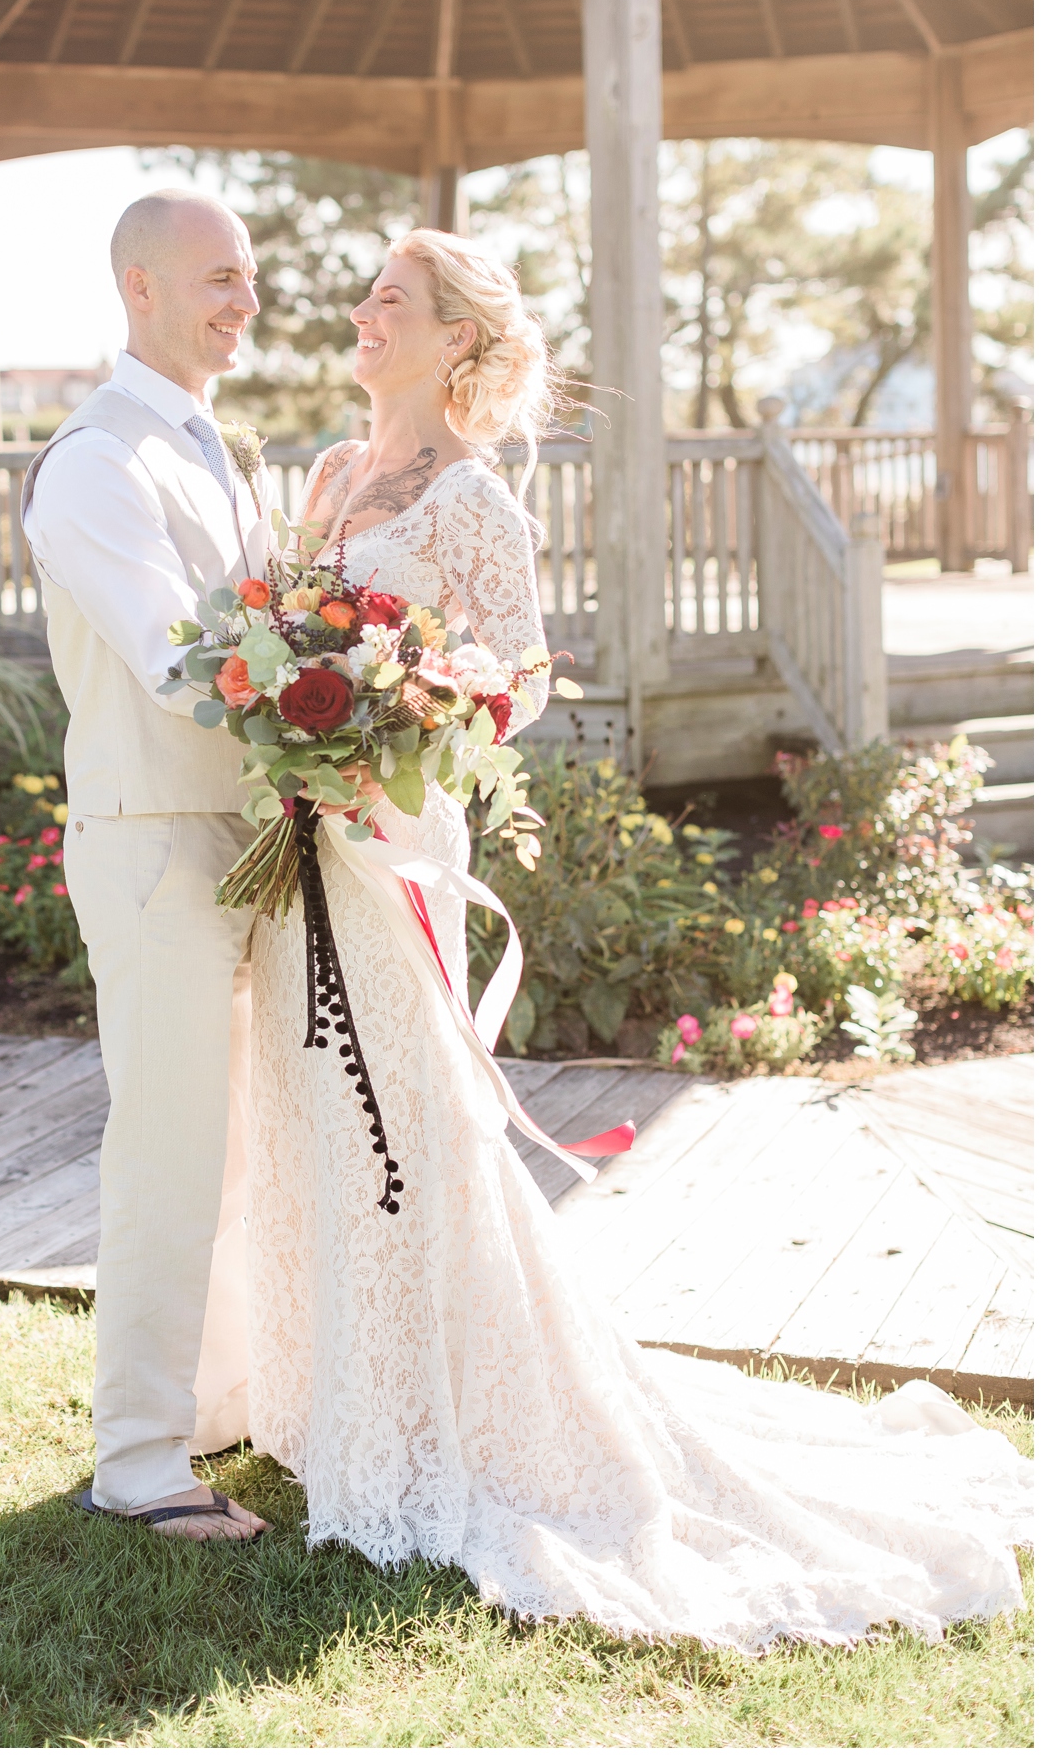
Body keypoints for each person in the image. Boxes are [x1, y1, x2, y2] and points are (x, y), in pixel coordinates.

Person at [243, 228, 1032, 1642]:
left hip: (397, 838)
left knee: (411, 1115)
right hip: (305, 839)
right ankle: (340, 1394)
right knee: (313, 1100)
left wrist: (401, 728)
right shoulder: (324, 476)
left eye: (391, 301)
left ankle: (455, 1410)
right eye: (363, 294)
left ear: (457, 344)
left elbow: (521, 680)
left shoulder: (475, 499)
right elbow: (283, 628)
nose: (360, 314)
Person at [22, 188, 272, 1541]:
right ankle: (135, 1463)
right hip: (149, 845)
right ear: (139, 287)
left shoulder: (205, 443)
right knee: (169, 1152)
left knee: (234, 1152)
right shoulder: (93, 461)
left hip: (235, 842)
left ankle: (216, 1405)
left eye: (248, 278)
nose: (243, 301)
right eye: (218, 278)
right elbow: (183, 668)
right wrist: (332, 705)